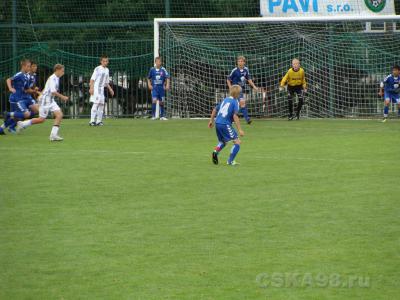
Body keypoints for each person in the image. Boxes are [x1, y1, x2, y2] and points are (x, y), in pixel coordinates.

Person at [16, 64, 69, 141]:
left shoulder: (57, 78)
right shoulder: (52, 78)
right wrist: (63, 97)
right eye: (62, 71)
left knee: (59, 115)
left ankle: (53, 135)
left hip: (51, 100)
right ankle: (22, 124)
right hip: (46, 101)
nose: (63, 73)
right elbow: (53, 91)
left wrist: (40, 94)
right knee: (41, 119)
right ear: (57, 70)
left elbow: (46, 87)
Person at [208, 85, 244, 166]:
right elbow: (235, 116)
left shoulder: (225, 100)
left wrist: (211, 120)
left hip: (218, 123)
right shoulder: (235, 102)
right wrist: (240, 130)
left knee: (223, 142)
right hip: (225, 124)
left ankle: (215, 152)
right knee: (237, 142)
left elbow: (215, 110)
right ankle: (230, 161)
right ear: (237, 94)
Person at [0, 59, 32, 135]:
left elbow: (26, 89)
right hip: (15, 99)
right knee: (26, 114)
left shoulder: (25, 77)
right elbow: (8, 80)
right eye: (28, 66)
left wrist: (36, 91)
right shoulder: (19, 74)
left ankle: (1, 129)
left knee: (15, 117)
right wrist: (10, 88)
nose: (29, 68)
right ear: (23, 66)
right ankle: (7, 114)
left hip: (18, 99)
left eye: (30, 66)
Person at [227, 56, 258, 124]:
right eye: (239, 61)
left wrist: (254, 86)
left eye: (241, 61)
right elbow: (228, 80)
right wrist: (230, 88)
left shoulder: (246, 70)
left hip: (241, 89)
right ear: (237, 62)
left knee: (238, 104)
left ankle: (232, 118)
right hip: (235, 90)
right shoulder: (234, 70)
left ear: (244, 62)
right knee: (241, 103)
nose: (240, 63)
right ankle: (247, 119)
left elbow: (249, 79)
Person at [89, 55, 114, 126]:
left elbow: (106, 82)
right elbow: (92, 79)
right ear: (101, 61)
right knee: (96, 103)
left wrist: (110, 89)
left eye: (106, 61)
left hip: (101, 90)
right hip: (96, 89)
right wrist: (91, 88)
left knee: (101, 105)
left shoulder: (107, 70)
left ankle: (99, 121)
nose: (105, 62)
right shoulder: (97, 68)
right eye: (104, 61)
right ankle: (92, 121)